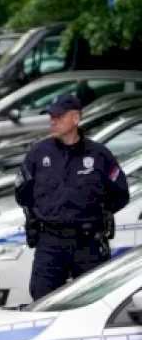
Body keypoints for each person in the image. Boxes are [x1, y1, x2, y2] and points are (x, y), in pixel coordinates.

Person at [15, 94, 129, 300]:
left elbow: (120, 194)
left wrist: (94, 213)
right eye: (51, 116)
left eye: (58, 116)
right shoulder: (39, 153)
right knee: (42, 299)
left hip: (88, 244)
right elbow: (22, 193)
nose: (52, 120)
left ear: (75, 118)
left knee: (95, 302)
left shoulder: (98, 155)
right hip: (50, 242)